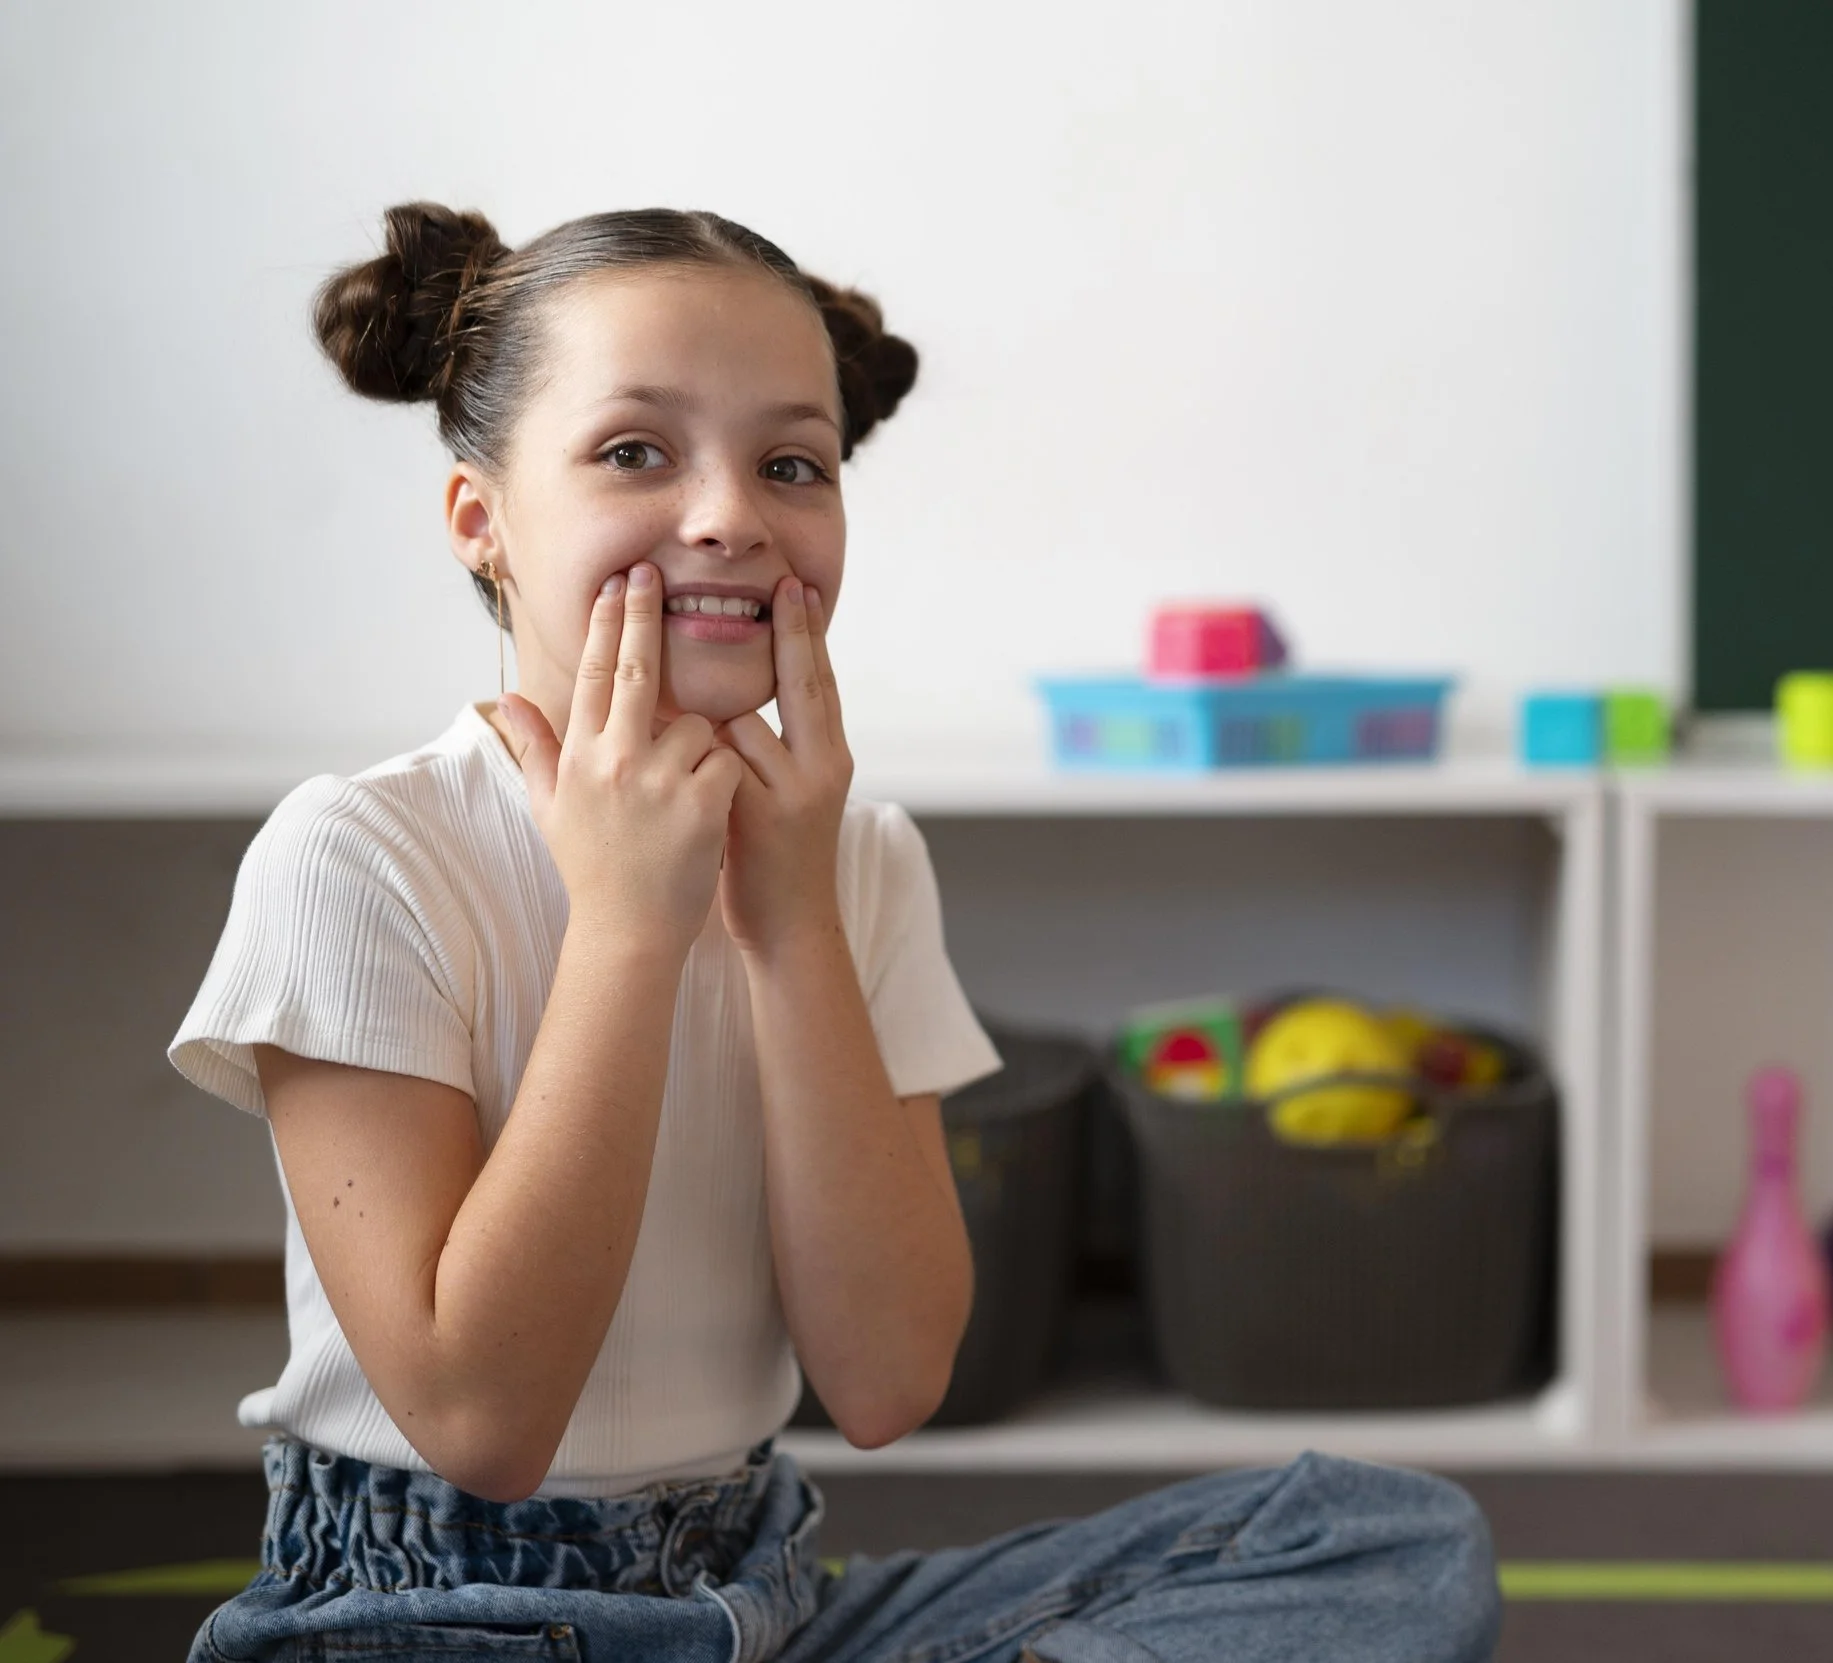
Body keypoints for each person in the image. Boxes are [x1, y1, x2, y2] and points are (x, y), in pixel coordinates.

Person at [167, 202, 1502, 1663]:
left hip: (759, 1597)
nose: (733, 510)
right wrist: (629, 926)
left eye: (791, 462)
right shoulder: (360, 854)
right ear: (482, 521)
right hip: (425, 1614)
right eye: (635, 451)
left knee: (1389, 1540)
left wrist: (790, 919)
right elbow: (483, 1420)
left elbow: (886, 1378)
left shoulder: (857, 861)